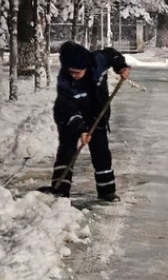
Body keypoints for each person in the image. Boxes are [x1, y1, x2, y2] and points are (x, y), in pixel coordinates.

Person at [42, 41, 131, 201]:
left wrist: (121, 67)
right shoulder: (65, 82)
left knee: (101, 153)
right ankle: (60, 190)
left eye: (77, 72)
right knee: (67, 151)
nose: (74, 75)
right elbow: (68, 109)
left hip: (97, 115)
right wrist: (81, 129)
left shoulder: (98, 61)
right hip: (71, 118)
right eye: (71, 71)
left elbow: (112, 54)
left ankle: (106, 191)